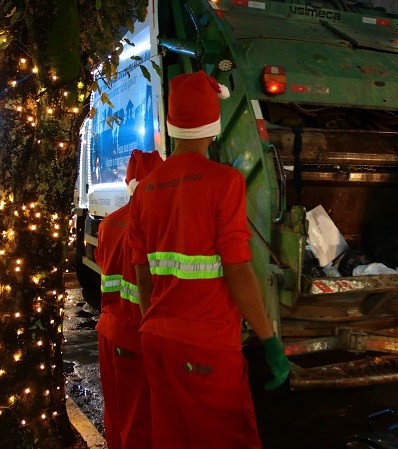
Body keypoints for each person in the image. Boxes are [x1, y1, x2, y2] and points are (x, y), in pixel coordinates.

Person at [128, 71, 290, 449]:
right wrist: (269, 340)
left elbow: (143, 276)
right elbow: (237, 270)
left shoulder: (146, 190)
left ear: (173, 125)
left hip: (157, 341)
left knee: (173, 438)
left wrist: (157, 328)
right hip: (205, 347)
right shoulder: (225, 182)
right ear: (214, 125)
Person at [94, 149, 163, 449]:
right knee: (140, 423)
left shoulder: (108, 224)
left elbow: (103, 261)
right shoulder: (156, 226)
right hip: (136, 336)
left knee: (117, 414)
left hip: (109, 331)